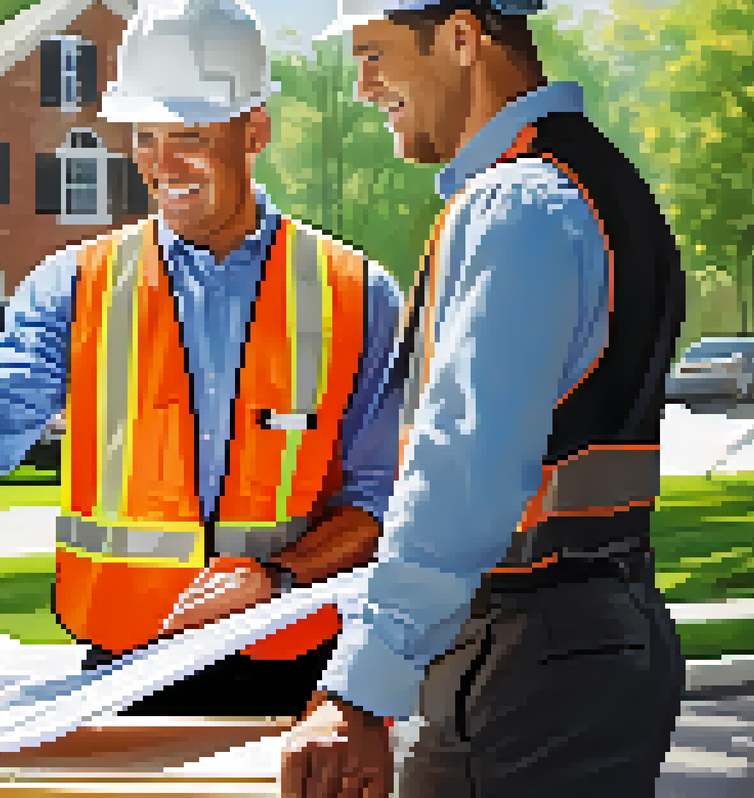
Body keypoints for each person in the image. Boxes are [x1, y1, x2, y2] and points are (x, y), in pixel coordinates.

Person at [0, 0, 405, 718]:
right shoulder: (79, 281)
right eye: (144, 138)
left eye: (188, 135)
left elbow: (381, 496)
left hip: (297, 662)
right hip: (129, 663)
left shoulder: (356, 293)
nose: (162, 166)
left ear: (255, 129)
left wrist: (277, 577)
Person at [276, 1, 688, 795]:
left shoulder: (517, 207)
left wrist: (359, 691)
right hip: (598, 637)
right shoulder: (601, 183)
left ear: (462, 37)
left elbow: (462, 471)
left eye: (375, 56)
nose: (363, 88)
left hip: (527, 654)